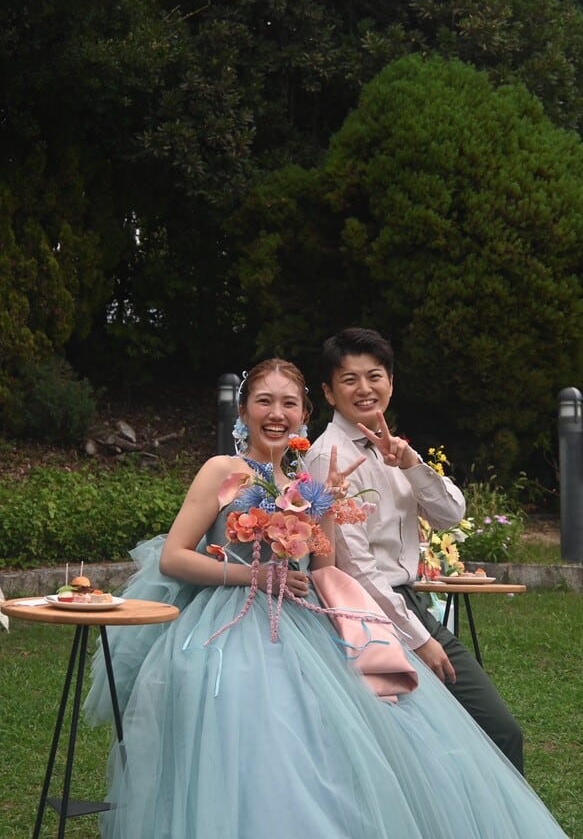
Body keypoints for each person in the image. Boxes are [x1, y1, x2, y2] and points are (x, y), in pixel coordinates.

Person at [85, 357, 566, 838]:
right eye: (264, 402)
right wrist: (253, 576)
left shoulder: (303, 486)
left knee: (347, 730)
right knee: (251, 718)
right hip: (227, 622)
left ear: (304, 414)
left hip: (301, 623)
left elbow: (322, 569)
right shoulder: (222, 470)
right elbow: (174, 557)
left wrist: (329, 505)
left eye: (289, 404)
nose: (277, 414)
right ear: (244, 410)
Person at [305, 327, 525, 773]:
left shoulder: (391, 449)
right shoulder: (328, 457)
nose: (364, 389)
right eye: (349, 379)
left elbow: (451, 515)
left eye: (375, 376)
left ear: (391, 382)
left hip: (410, 603)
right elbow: (356, 567)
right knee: (469, 738)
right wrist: (420, 640)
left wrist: (410, 463)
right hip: (368, 616)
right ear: (328, 392)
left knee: (483, 737)